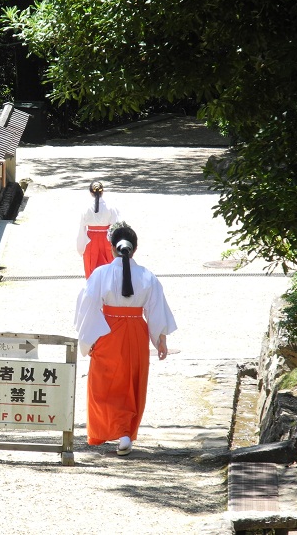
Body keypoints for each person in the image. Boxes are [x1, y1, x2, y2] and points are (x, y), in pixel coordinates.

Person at [74, 222, 176, 456]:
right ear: (135, 248)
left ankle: (115, 432)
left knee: (104, 383)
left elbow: (88, 306)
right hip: (136, 332)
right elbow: (156, 309)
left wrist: (88, 340)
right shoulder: (147, 276)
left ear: (111, 248)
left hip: (107, 331)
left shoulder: (101, 274)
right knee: (131, 381)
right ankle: (125, 432)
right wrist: (160, 339)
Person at [77, 180, 121, 279]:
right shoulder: (111, 207)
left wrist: (81, 247)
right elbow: (117, 225)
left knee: (92, 270)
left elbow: (81, 230)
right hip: (107, 239)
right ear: (102, 191)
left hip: (90, 240)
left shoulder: (85, 208)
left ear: (90, 192)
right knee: (109, 269)